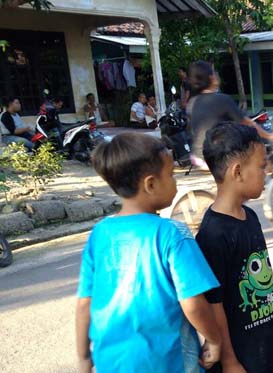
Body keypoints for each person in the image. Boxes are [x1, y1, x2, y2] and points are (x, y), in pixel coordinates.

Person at [75, 132, 223, 372]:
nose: (175, 182)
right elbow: (193, 302)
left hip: (111, 363)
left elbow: (85, 303)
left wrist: (83, 358)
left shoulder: (99, 234)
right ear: (151, 184)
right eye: (171, 175)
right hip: (167, 362)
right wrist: (215, 340)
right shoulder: (172, 234)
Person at [196, 124, 273, 373]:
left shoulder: (249, 216)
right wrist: (229, 361)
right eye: (261, 166)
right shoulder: (213, 235)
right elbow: (213, 304)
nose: (267, 172)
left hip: (265, 348)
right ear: (237, 172)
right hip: (240, 361)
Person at [187, 60, 273, 169]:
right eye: (215, 72)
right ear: (211, 78)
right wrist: (268, 135)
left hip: (197, 157)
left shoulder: (192, 103)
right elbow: (248, 123)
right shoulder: (222, 99)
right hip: (219, 157)